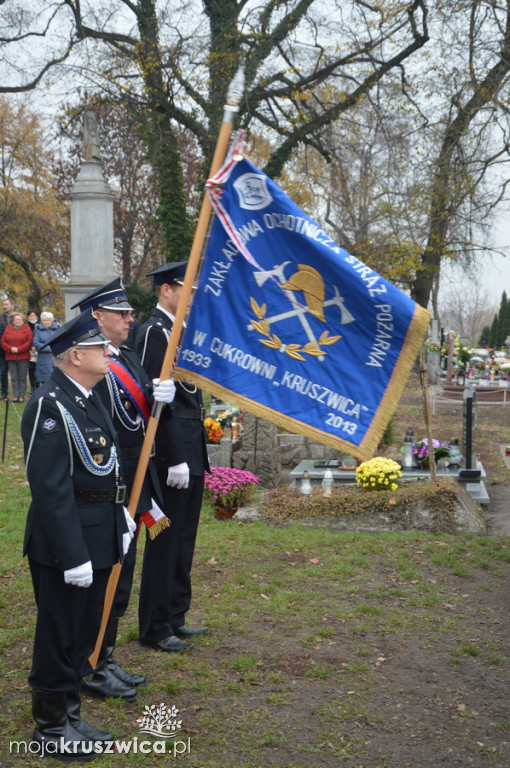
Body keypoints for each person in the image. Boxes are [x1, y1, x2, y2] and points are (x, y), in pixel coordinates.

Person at [21, 309, 134, 761]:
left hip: (99, 532)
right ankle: (50, 726)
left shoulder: (88, 397)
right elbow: (50, 489)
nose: (108, 352)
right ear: (74, 355)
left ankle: (69, 714)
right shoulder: (49, 406)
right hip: (66, 543)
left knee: (83, 632)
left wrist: (120, 516)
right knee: (59, 633)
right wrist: (72, 554)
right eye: (98, 348)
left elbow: (107, 464)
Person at [71, 278, 176, 697]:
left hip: (137, 475)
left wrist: (161, 401)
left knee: (125, 569)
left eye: (131, 313)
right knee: (105, 572)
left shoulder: (129, 356)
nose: (131, 319)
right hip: (109, 480)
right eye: (123, 314)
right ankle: (89, 661)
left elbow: (146, 417)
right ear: (98, 317)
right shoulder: (90, 365)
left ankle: (106, 654)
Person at [135, 261, 209, 652]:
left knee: (185, 536)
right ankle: (155, 625)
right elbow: (149, 398)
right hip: (172, 448)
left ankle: (176, 615)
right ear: (167, 290)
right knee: (165, 538)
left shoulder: (179, 331)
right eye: (187, 288)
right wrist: (172, 454)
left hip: (190, 441)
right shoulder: (152, 332)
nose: (193, 294)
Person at [0, 311, 33, 401]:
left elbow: (29, 342)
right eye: (16, 319)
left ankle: (21, 395)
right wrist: (10, 349)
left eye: (19, 319)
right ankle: (15, 395)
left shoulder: (27, 328)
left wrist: (19, 349)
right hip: (10, 356)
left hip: (23, 356)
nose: (18, 321)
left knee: (22, 377)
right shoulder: (8, 328)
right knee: (14, 377)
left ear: (23, 320)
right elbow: (3, 341)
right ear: (13, 321)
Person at [33, 312, 61, 387]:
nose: (46, 322)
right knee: (45, 382)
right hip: (43, 358)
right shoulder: (38, 329)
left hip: (56, 356)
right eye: (44, 320)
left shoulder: (58, 328)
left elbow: (61, 340)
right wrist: (49, 348)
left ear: (51, 320)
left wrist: (55, 348)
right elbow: (36, 343)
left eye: (48, 320)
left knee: (57, 380)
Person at [0, 297, 16, 398]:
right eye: (3, 304)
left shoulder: (18, 317)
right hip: (2, 349)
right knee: (3, 371)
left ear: (12, 306)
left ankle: (17, 393)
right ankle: (4, 392)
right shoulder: (0, 317)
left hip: (16, 349)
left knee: (16, 372)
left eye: (6, 304)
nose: (4, 306)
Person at [27, 311, 39, 394]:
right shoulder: (26, 326)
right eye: (30, 316)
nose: (32, 317)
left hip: (38, 350)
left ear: (37, 316)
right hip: (29, 351)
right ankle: (32, 387)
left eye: (33, 316)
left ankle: (37, 386)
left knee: (37, 370)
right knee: (31, 370)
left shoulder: (39, 326)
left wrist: (35, 346)